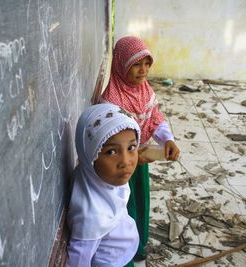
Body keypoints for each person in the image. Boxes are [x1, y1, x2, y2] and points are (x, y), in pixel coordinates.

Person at [98, 36, 180, 261]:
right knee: (124, 203)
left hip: (140, 159)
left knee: (141, 199)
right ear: (122, 64)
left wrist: (168, 139)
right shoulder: (111, 102)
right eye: (136, 64)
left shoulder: (144, 90)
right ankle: (125, 248)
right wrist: (134, 154)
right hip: (120, 164)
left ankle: (139, 242)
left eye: (147, 63)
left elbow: (154, 117)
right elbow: (111, 140)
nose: (143, 70)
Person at [66, 103, 142, 267]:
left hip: (123, 250)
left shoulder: (98, 178)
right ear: (90, 156)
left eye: (131, 147)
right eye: (111, 152)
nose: (125, 162)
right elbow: (78, 260)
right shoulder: (92, 216)